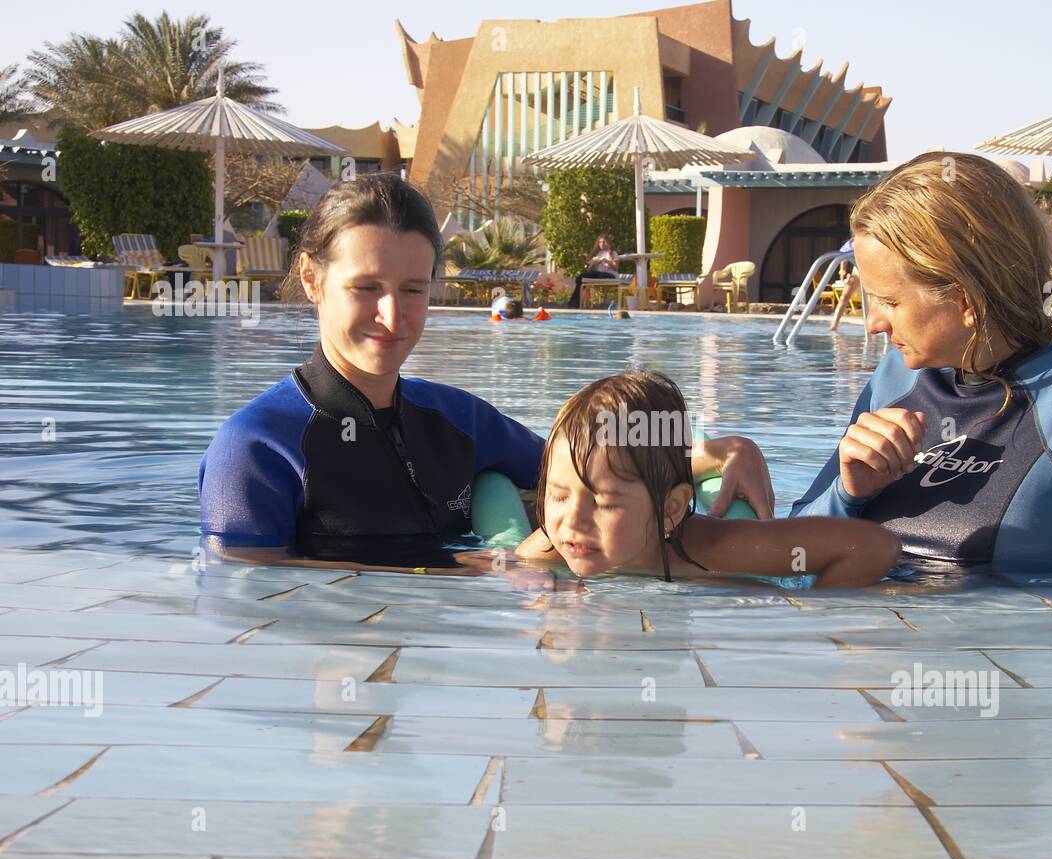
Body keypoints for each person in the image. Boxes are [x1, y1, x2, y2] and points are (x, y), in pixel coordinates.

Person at [198, 174, 774, 570]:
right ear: (311, 280)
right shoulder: (255, 448)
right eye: (366, 288)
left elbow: (592, 467)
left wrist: (722, 451)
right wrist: (454, 574)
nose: (392, 315)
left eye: (413, 289)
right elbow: (250, 594)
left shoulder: (456, 421)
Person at [790, 152, 1052, 573]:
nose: (873, 324)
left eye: (890, 302)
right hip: (870, 633)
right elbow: (790, 550)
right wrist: (848, 493)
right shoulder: (895, 377)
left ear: (966, 299)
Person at [515, 371, 899, 587]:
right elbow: (507, 568)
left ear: (671, 511)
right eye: (559, 495)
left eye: (605, 502)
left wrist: (811, 613)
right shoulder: (553, 545)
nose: (573, 519)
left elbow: (871, 547)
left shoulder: (713, 550)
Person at [565, 233, 620, 308]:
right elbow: (589, 269)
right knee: (581, 277)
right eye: (600, 242)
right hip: (598, 274)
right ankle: (573, 303)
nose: (601, 244)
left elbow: (616, 268)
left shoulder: (613, 253)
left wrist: (606, 261)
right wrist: (593, 264)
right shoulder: (598, 253)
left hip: (610, 274)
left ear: (607, 243)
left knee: (601, 275)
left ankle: (597, 302)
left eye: (603, 242)